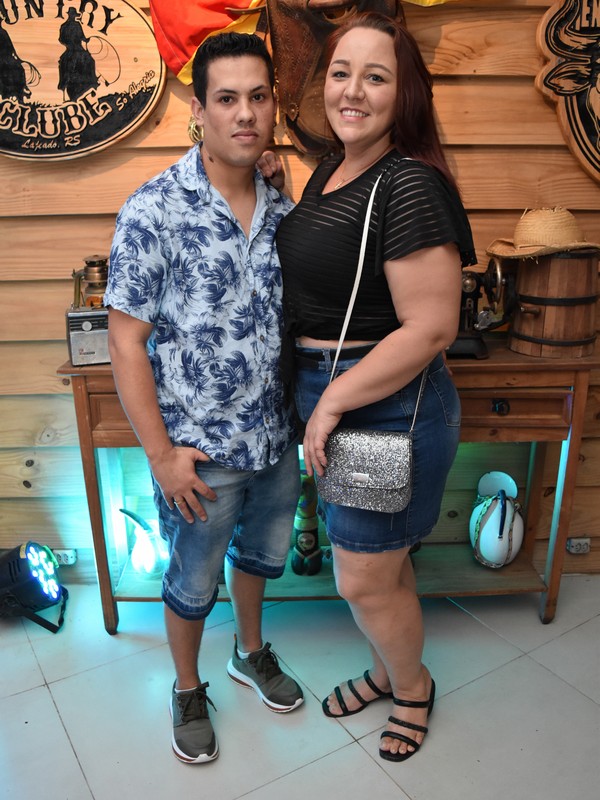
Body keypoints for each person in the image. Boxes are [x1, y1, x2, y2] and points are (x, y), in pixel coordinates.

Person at [276, 12, 476, 762]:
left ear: (405, 94)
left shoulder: (410, 183)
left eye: (376, 76)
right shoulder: (332, 169)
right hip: (334, 394)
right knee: (376, 566)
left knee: (363, 576)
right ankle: (387, 670)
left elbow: (431, 327)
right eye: (340, 72)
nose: (352, 91)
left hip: (381, 407)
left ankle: (412, 687)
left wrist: (331, 401)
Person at [104, 31, 303, 766]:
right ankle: (187, 687)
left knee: (261, 556)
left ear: (273, 105)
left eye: (258, 97)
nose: (244, 114)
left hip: (274, 437)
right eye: (227, 99)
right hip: (199, 452)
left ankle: (250, 652)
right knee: (191, 579)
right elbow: (126, 341)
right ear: (199, 109)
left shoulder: (282, 208)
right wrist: (161, 456)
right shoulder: (153, 209)